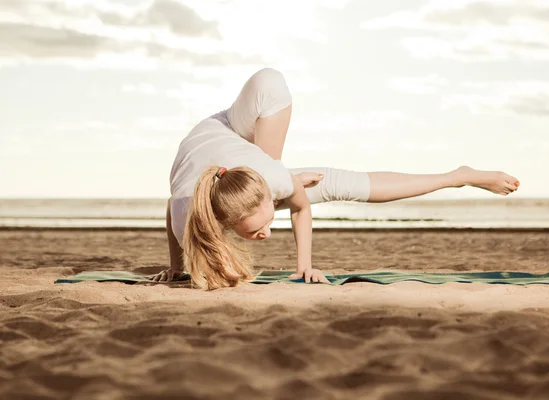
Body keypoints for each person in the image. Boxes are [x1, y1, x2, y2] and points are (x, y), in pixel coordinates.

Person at [151, 68, 520, 289]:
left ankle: (459, 176)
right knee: (345, 184)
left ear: (269, 195)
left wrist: (304, 265)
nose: (265, 235)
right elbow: (173, 208)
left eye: (263, 224)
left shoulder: (274, 179)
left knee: (270, 82)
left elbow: (298, 209)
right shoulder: (192, 211)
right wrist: (176, 267)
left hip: (232, 126)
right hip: (237, 158)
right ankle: (454, 177)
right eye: (255, 232)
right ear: (221, 220)